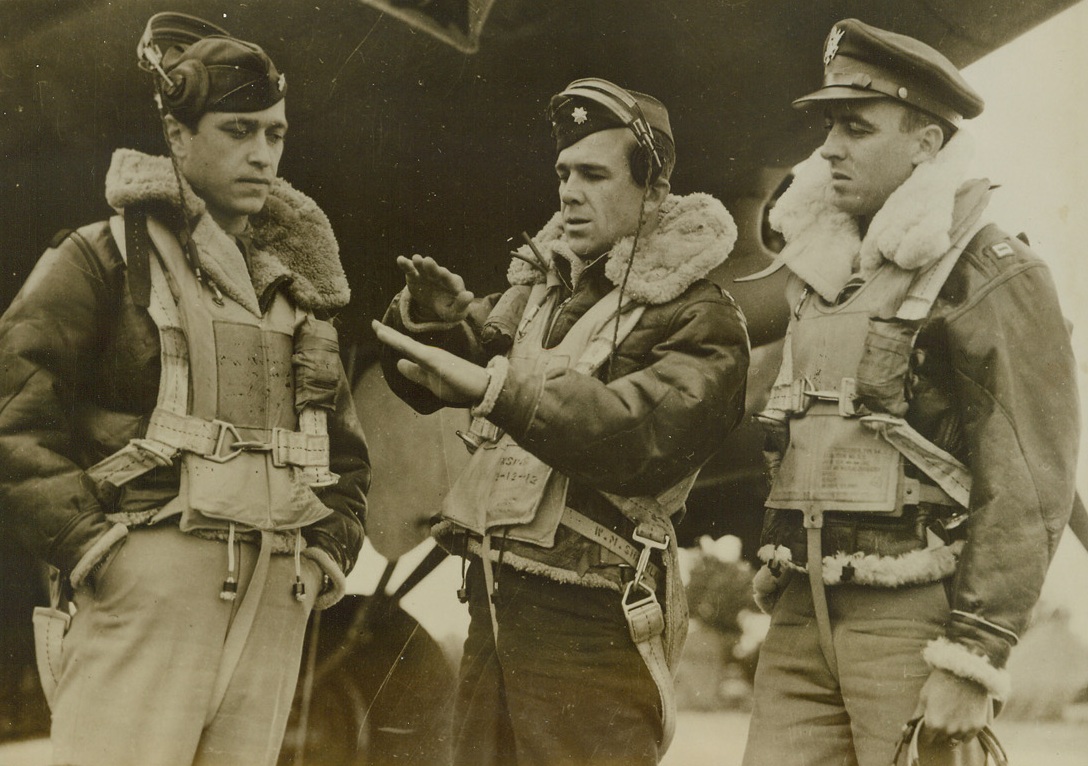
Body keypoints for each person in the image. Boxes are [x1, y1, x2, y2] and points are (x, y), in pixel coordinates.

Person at [0, 12, 370, 766]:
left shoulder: (299, 290)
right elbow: (16, 417)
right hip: (149, 586)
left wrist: (325, 554)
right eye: (238, 131)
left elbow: (344, 454)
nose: (261, 155)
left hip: (275, 595)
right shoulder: (101, 258)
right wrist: (95, 548)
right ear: (176, 136)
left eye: (274, 134)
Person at [372, 78, 750, 764]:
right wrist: (440, 319)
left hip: (591, 622)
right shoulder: (542, 292)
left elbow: (637, 436)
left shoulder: (702, 317)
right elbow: (449, 376)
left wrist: (495, 386)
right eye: (563, 173)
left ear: (655, 190)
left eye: (594, 174)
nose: (568, 191)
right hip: (494, 599)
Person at [743, 18, 1079, 766]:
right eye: (830, 125)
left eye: (856, 127)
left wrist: (974, 653)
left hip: (914, 623)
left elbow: (1028, 482)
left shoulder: (990, 269)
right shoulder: (824, 277)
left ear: (927, 144)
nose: (830, 146)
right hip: (800, 612)